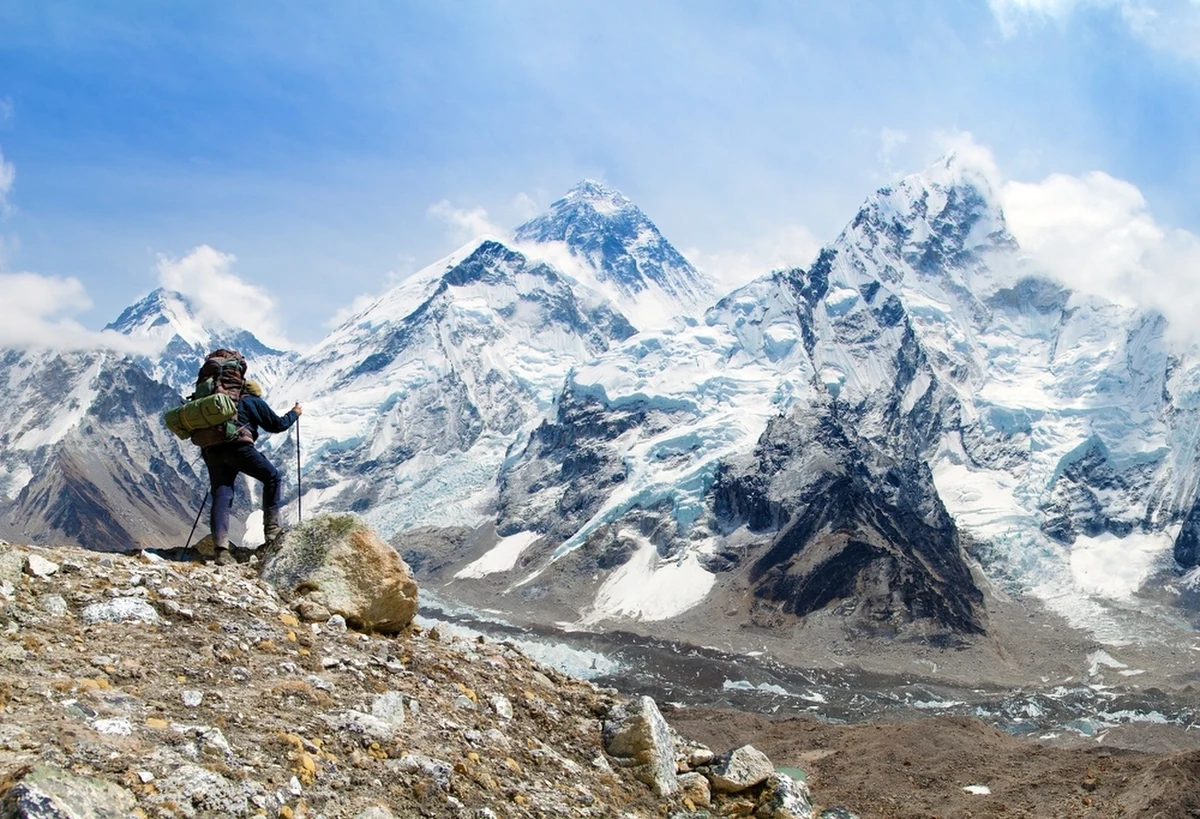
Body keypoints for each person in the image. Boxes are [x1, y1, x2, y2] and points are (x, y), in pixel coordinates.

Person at [201, 378, 302, 565]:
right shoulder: (252, 400)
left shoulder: (219, 401)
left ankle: (221, 551)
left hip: (212, 450)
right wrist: (294, 413)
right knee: (272, 477)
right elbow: (276, 425)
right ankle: (272, 531)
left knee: (221, 493)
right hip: (239, 449)